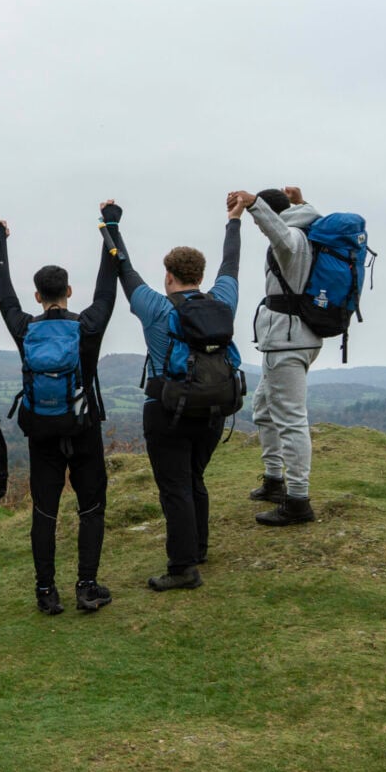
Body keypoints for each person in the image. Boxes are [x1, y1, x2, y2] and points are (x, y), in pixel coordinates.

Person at [107, 195, 244, 590]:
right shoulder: (223, 301)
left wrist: (110, 223)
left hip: (168, 411)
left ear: (169, 277)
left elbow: (124, 268)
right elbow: (231, 264)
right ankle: (197, 547)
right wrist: (234, 221)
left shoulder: (155, 307)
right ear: (200, 275)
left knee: (175, 488)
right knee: (194, 477)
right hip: (216, 407)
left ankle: (183, 567)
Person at [0, 216, 118, 615]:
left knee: (45, 510)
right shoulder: (89, 325)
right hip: (83, 428)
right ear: (68, 291)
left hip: (41, 431)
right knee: (91, 507)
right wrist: (109, 225)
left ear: (37, 296)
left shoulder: (24, 327)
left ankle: (46, 591)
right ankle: (86, 585)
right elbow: (107, 286)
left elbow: (4, 292)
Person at [230, 186, 322, 526]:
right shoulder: (307, 225)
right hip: (287, 338)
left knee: (291, 419)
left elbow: (279, 234)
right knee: (265, 409)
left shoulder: (294, 237)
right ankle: (273, 479)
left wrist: (254, 206)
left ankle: (298, 501)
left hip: (288, 341)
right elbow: (292, 222)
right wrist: (301, 202)